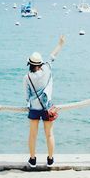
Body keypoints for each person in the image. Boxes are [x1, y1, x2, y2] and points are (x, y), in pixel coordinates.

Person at [23, 35, 65, 168]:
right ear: (40, 64)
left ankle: (32, 159)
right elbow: (53, 55)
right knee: (49, 134)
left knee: (32, 135)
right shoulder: (46, 69)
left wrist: (29, 105)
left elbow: (27, 95)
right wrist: (60, 43)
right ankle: (50, 160)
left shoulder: (27, 77)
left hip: (34, 109)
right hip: (47, 108)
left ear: (30, 64)